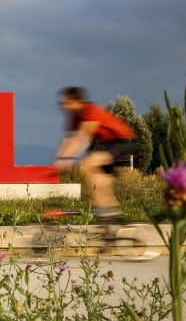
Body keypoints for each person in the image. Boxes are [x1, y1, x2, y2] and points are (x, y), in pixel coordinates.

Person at [53, 86, 136, 223]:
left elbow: (83, 137)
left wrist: (66, 159)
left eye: (66, 103)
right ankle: (110, 214)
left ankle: (106, 211)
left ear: (76, 101)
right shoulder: (74, 119)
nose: (64, 107)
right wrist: (58, 160)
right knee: (100, 180)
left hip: (123, 142)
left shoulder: (90, 110)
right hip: (109, 145)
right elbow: (67, 140)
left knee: (87, 164)